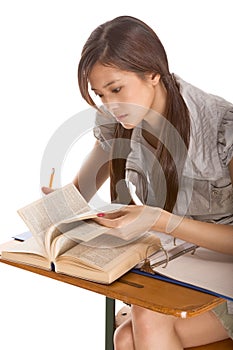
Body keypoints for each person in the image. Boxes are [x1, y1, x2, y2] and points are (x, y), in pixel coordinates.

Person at [43, 15, 233, 349]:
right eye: (100, 94)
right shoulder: (119, 120)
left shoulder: (220, 127)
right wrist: (56, 203)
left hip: (227, 268)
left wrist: (163, 222)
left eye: (116, 89)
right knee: (126, 336)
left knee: (137, 327)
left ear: (153, 73)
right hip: (182, 262)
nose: (110, 104)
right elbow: (79, 190)